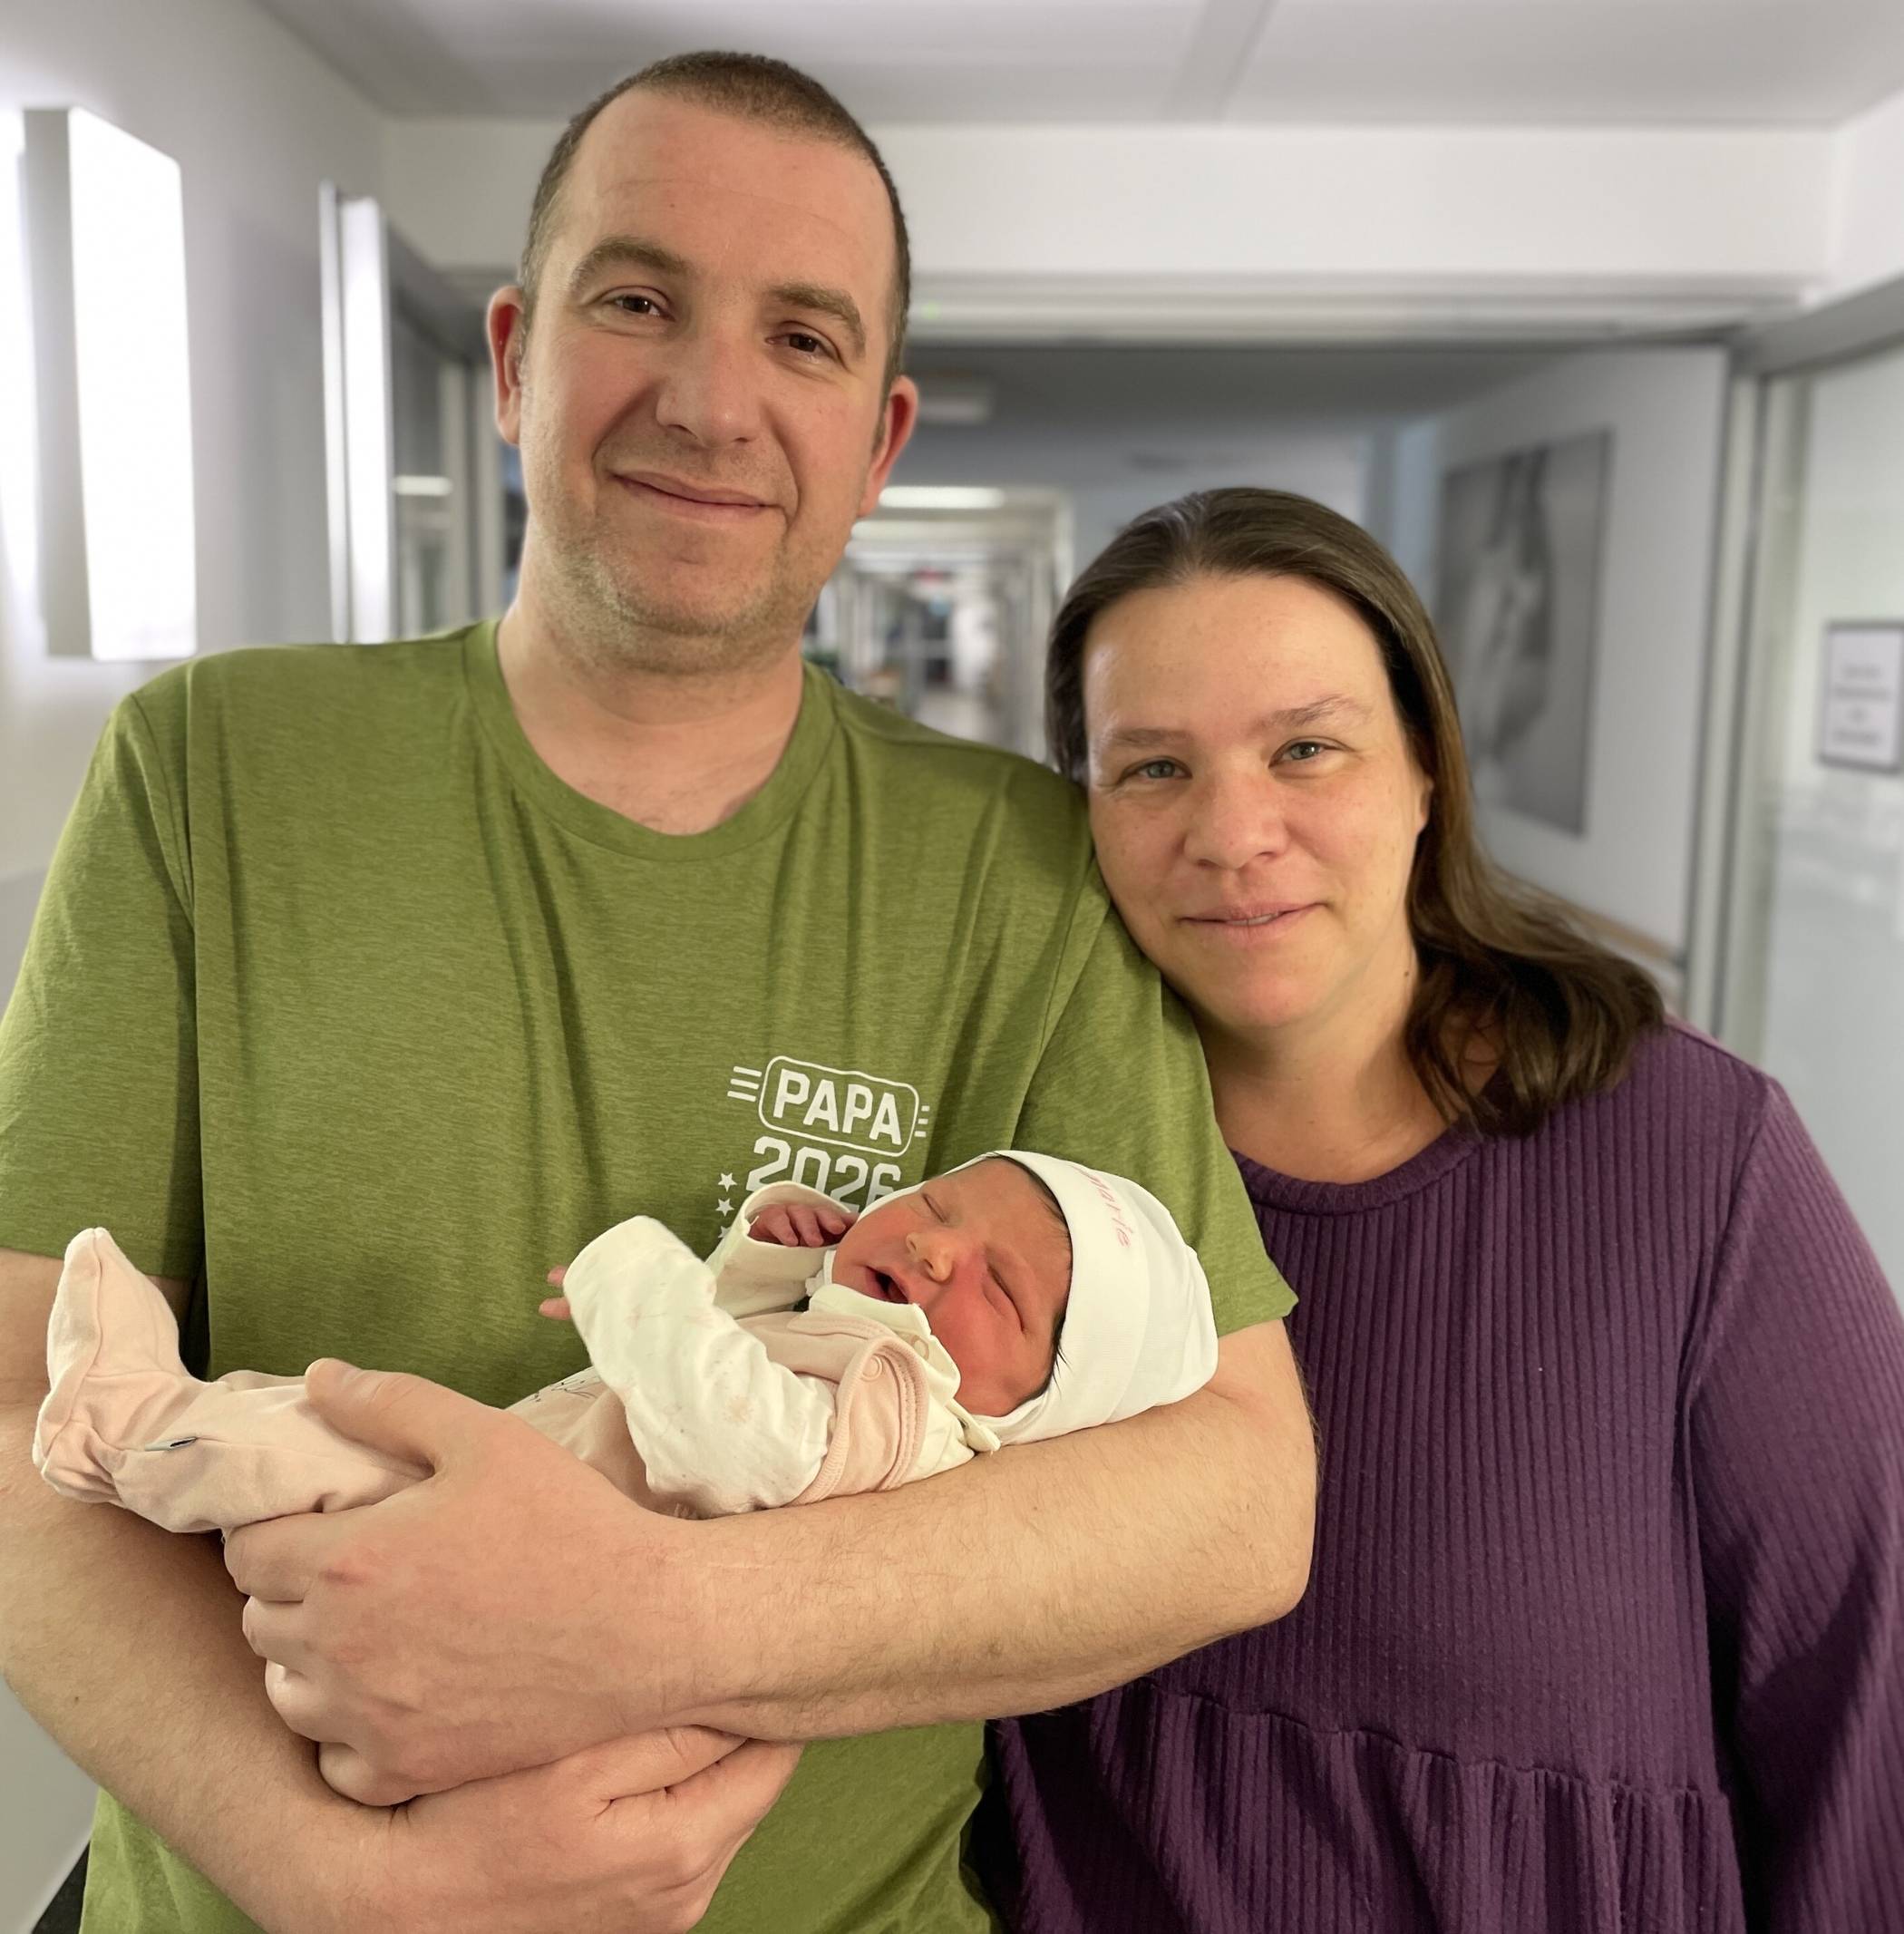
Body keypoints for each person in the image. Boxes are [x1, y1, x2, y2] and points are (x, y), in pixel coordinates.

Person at [0, 54, 1316, 1934]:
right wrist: (343, 1877)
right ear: (516, 356)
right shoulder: (210, 768)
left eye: (803, 337)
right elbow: (12, 1402)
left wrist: (643, 1621)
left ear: (880, 437)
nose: (710, 399)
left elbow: (1238, 1499)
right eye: (637, 300)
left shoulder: (1020, 870)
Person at [982, 486, 1904, 1932]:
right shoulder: (1023, 1184)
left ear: (1425, 769)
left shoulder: (1695, 1161)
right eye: (1153, 766)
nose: (1233, 832)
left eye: (1306, 747)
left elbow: (1866, 1713)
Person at [36, 1152, 1218, 1546]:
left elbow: (731, 1438)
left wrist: (634, 1270)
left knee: (317, 1456)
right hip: (532, 1488)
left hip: (516, 1536)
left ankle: (118, 1429)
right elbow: (747, 1357)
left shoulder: (910, 1418)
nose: (939, 1247)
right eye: (940, 1202)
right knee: (308, 1417)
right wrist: (776, 1262)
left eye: (1001, 1290)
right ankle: (174, 1409)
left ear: (1027, 1407)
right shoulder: (882, 1365)